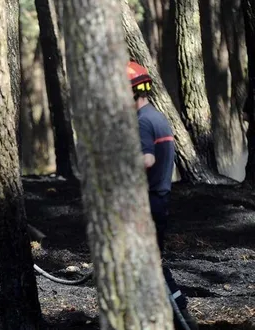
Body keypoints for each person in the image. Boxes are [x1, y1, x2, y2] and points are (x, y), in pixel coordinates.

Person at [127, 61, 199, 330]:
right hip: (158, 200)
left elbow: (146, 159)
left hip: (149, 202)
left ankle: (180, 314)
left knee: (146, 262)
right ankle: (167, 313)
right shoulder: (157, 117)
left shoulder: (143, 122)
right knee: (147, 261)